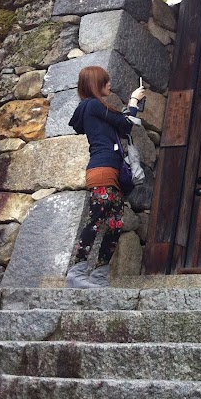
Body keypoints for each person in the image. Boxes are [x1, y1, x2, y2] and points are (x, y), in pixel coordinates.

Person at [65, 65, 145, 288]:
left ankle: (99, 276)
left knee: (114, 224)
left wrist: (131, 108)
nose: (109, 84)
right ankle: (76, 273)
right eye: (105, 81)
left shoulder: (96, 109)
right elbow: (125, 123)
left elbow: (123, 127)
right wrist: (133, 101)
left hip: (112, 172)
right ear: (95, 84)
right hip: (102, 171)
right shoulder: (92, 105)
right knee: (96, 220)